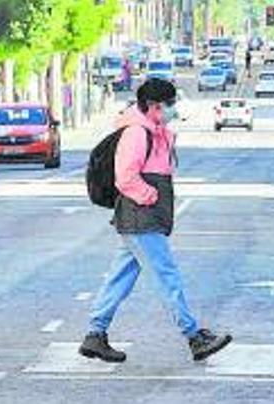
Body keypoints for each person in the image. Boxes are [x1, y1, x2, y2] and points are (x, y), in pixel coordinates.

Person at [79, 79, 232, 364]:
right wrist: (149, 196)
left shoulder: (155, 131)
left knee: (120, 277)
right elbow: (125, 177)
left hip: (142, 217)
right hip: (141, 217)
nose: (173, 109)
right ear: (152, 106)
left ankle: (95, 334)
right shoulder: (137, 133)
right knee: (166, 276)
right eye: (169, 104)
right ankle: (194, 336)